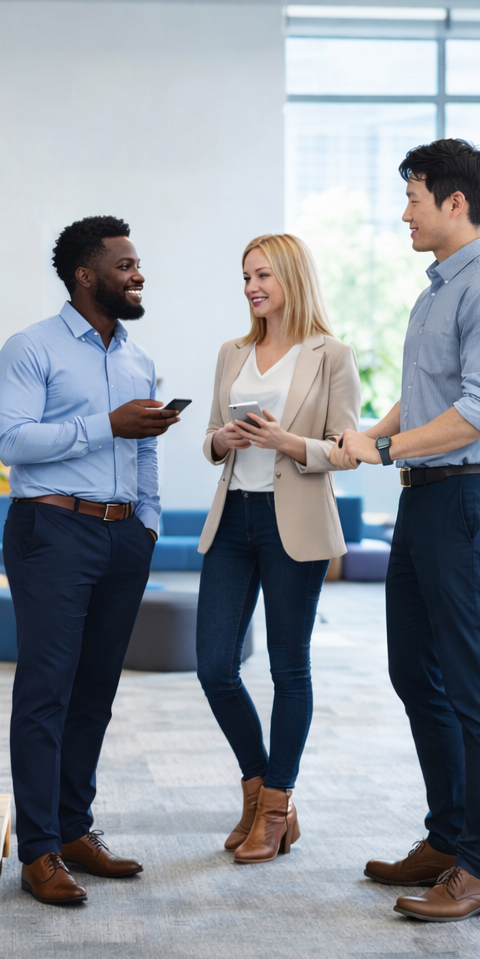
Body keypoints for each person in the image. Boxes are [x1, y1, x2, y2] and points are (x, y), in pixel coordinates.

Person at [333, 139, 480, 922]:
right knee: (416, 673)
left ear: (456, 203)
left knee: (476, 689)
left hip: (465, 501)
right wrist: (368, 438)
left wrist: (384, 446)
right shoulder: (437, 292)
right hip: (423, 501)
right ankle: (448, 838)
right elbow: (422, 405)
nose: (404, 212)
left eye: (414, 197)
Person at [0, 215, 181, 906]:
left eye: (137, 265)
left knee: (95, 693)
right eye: (125, 265)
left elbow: (147, 445)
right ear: (85, 275)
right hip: (52, 530)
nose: (137, 274)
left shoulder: (136, 357)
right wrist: (106, 425)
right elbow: (13, 443)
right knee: (46, 691)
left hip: (124, 536)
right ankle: (39, 850)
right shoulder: (29, 349)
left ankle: (74, 830)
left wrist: (149, 525)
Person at [197, 233, 361, 864]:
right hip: (233, 517)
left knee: (289, 669)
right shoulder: (232, 351)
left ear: (292, 276)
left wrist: (284, 441)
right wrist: (226, 439)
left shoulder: (332, 354)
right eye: (245, 278)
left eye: (262, 275)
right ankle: (262, 790)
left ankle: (271, 809)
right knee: (214, 665)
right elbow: (212, 435)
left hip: (293, 522)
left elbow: (344, 450)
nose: (251, 288)